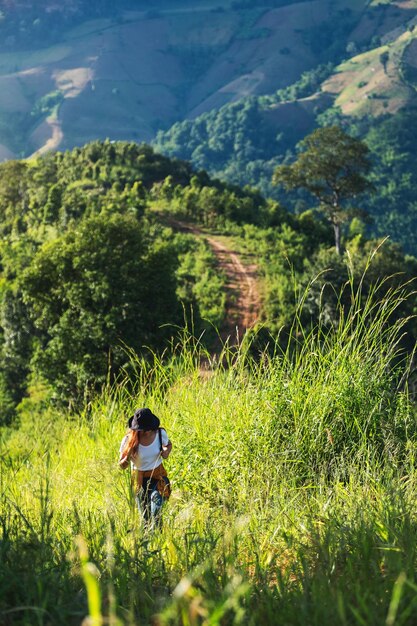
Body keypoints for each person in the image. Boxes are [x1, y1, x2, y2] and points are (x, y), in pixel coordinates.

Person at [119, 407, 172, 528]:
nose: (147, 432)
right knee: (145, 518)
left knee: (156, 510)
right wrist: (128, 454)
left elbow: (168, 444)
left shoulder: (159, 434)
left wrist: (166, 451)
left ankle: (159, 538)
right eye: (144, 429)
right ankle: (149, 543)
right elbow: (121, 465)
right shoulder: (128, 440)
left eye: (149, 428)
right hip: (138, 479)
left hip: (157, 476)